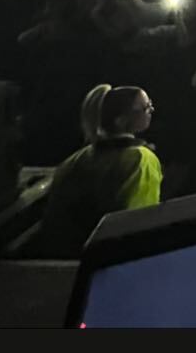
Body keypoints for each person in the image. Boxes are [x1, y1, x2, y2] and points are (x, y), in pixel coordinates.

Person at [36, 85, 163, 258]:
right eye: (145, 108)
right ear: (121, 120)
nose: (151, 110)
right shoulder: (141, 160)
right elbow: (138, 224)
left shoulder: (75, 160)